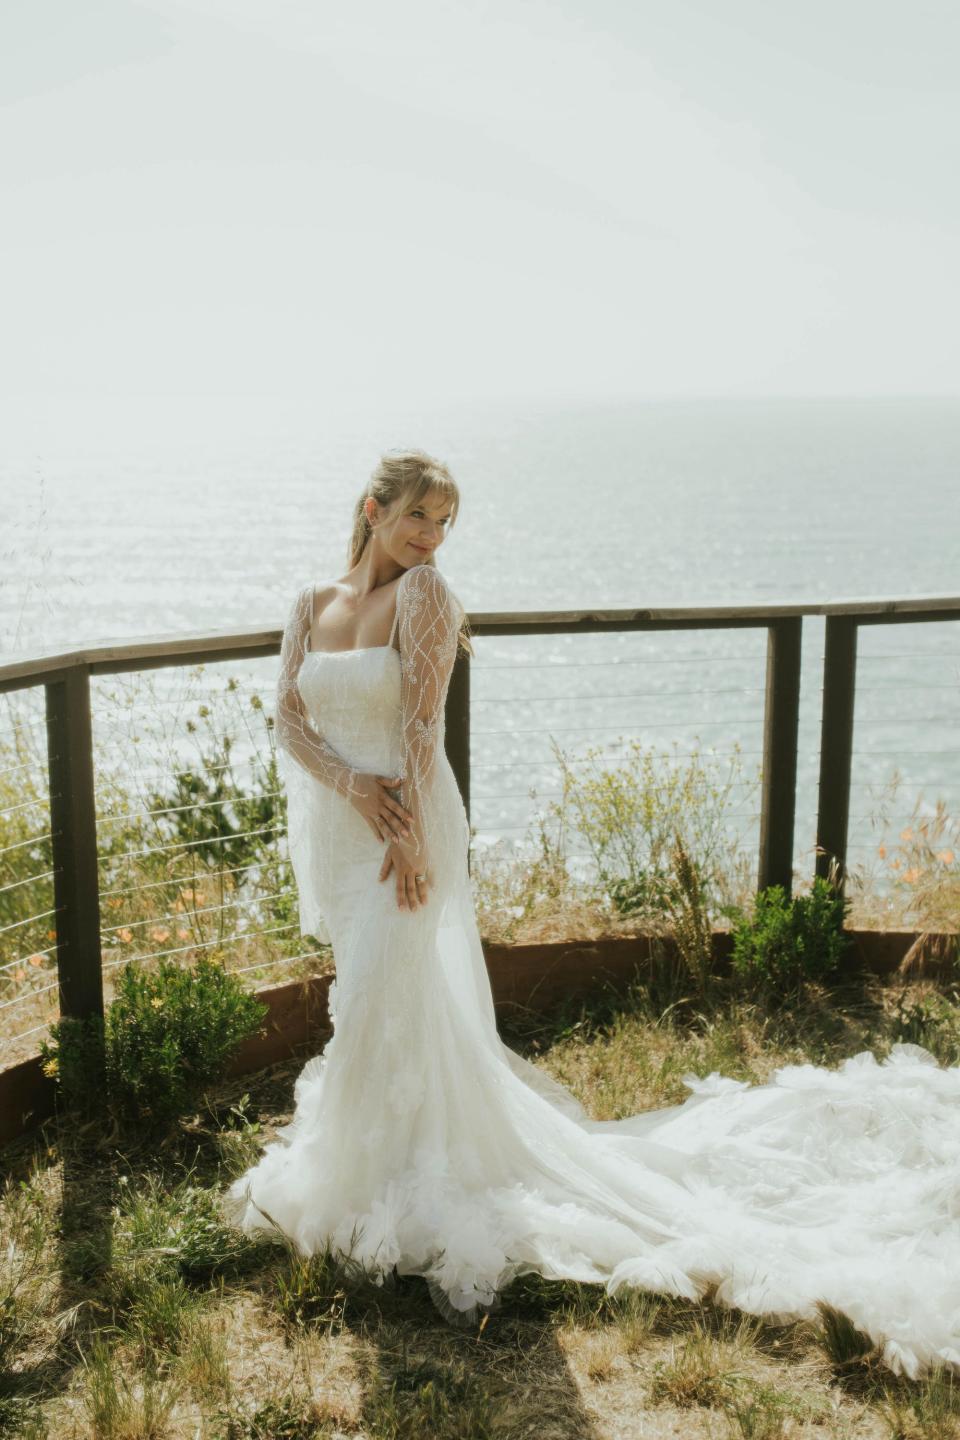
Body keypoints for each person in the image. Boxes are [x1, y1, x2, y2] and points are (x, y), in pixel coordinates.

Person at [226, 449, 960, 1378]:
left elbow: (421, 729)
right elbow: (289, 719)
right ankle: (387, 1161)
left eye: (446, 523)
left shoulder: (426, 599)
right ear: (374, 508)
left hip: (410, 826)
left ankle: (376, 1188)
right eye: (420, 517)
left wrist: (405, 837)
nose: (433, 538)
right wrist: (355, 791)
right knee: (381, 1001)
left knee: (377, 992)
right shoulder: (310, 603)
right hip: (349, 826)